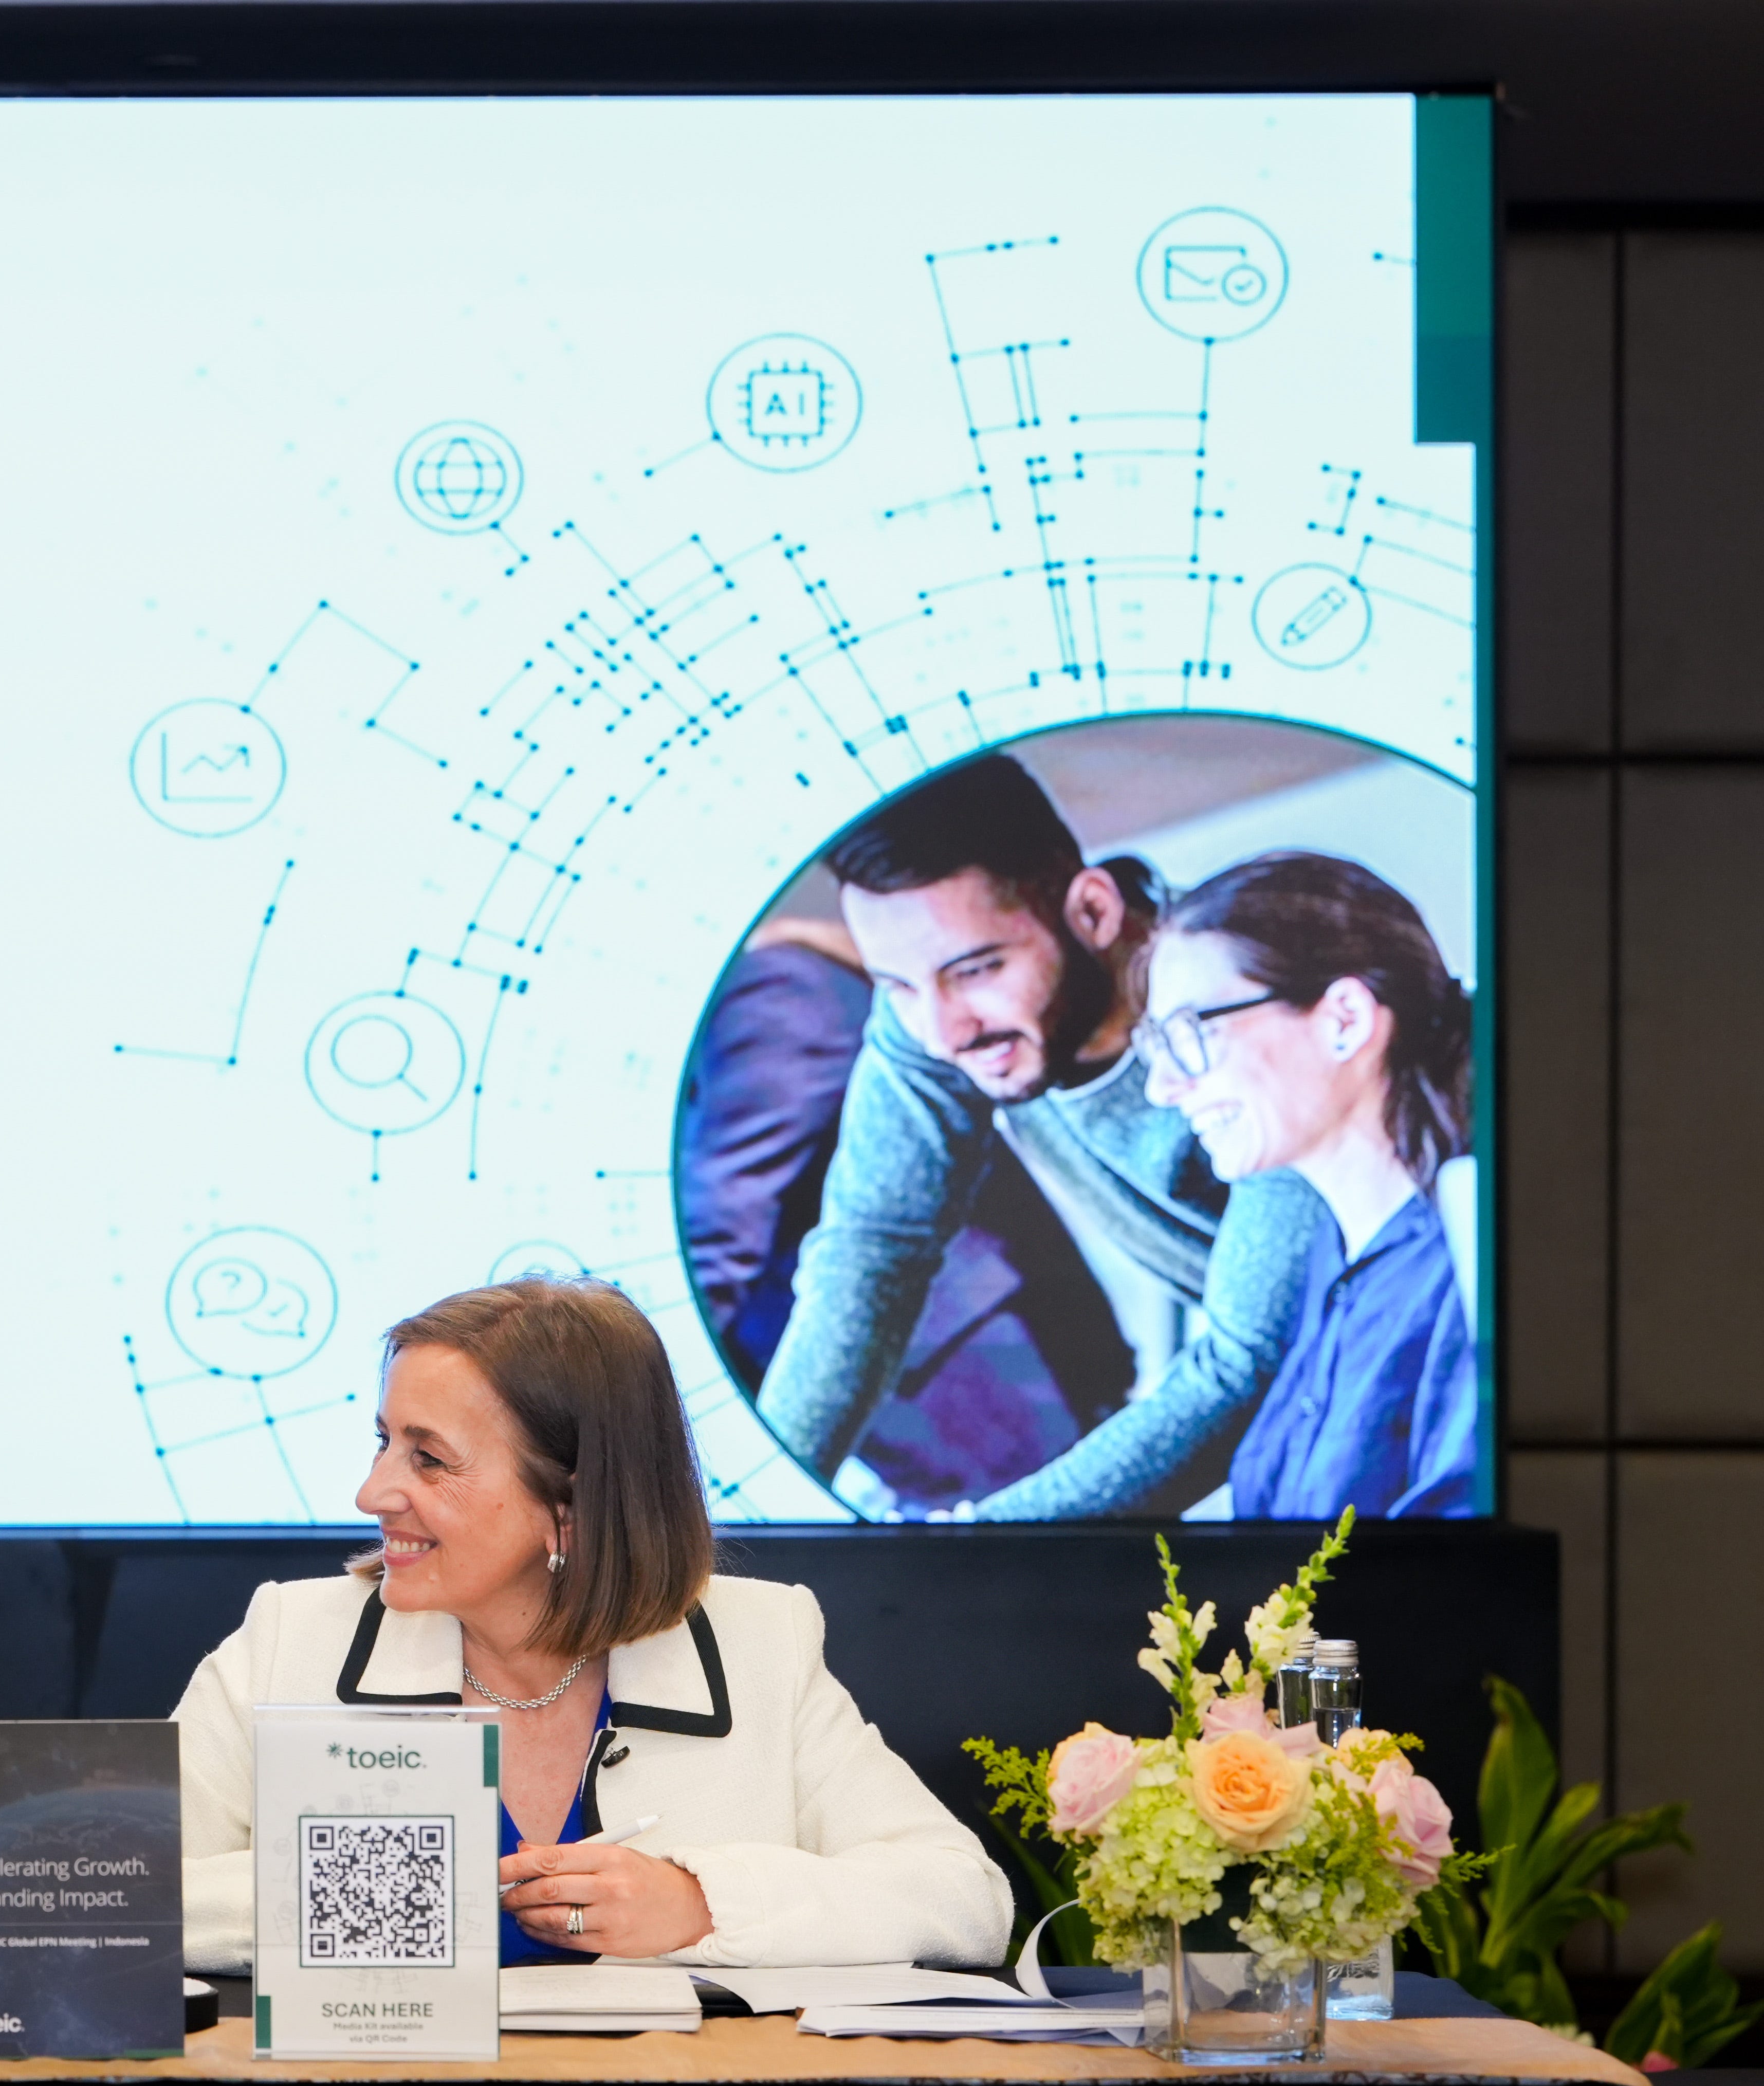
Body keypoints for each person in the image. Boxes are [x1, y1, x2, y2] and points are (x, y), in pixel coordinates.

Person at [171, 1277, 1009, 1973]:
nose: (372, 1492)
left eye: (428, 1458)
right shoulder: (290, 1638)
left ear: (570, 1506)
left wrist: (701, 1904)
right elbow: (126, 1899)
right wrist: (375, 1896)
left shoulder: (761, 1641)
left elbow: (963, 1899)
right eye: (383, 1441)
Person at [753, 749, 1335, 1518]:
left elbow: (1251, 1362)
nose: (943, 1032)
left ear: (1092, 912)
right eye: (897, 986)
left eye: (976, 970)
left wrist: (977, 1548)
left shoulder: (1252, 1003)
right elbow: (871, 1251)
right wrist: (749, 1515)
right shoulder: (939, 1021)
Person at [678, 916, 1136, 1511]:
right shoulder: (776, 982)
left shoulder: (776, 991)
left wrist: (629, 1394)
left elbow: (725, 1229)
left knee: (1042, 1550)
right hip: (944, 1357)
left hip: (964, 1360)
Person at [1138, 852, 1478, 1518]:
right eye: (1157, 1043)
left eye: (1191, 1033)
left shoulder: (1472, 1270)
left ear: (1345, 1020)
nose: (1162, 1086)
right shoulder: (1331, 1260)